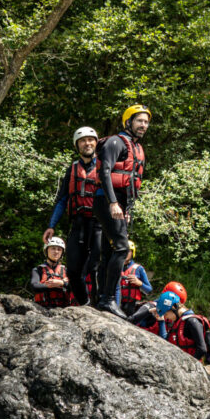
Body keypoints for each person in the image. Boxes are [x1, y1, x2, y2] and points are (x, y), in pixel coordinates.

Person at [93, 104, 151, 317]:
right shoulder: (116, 142)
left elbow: (131, 182)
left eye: (146, 122)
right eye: (139, 121)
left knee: (109, 251)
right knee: (121, 248)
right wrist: (113, 202)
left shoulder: (136, 148)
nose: (143, 125)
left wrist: (125, 207)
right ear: (128, 122)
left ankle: (101, 299)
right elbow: (105, 172)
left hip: (119, 204)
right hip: (107, 201)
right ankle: (108, 299)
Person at [43, 126, 103, 308]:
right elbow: (62, 199)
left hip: (98, 224)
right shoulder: (72, 169)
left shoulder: (104, 166)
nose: (87, 143)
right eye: (83, 141)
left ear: (96, 143)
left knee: (95, 268)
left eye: (91, 140)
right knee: (74, 270)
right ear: (77, 145)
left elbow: (118, 195)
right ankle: (84, 303)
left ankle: (100, 305)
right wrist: (51, 225)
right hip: (78, 224)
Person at [30, 237, 72, 308]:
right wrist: (51, 285)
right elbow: (34, 286)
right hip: (42, 308)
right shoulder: (38, 270)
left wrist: (62, 283)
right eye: (53, 248)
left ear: (62, 253)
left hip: (64, 309)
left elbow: (75, 287)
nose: (56, 252)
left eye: (59, 249)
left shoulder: (67, 270)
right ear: (46, 251)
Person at [167, 297, 210, 361]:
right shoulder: (177, 322)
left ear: (174, 308)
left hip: (190, 366)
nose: (166, 317)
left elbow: (202, 349)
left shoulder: (192, 321)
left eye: (166, 314)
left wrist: (189, 365)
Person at [116, 240, 153, 316]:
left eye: (128, 251)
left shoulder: (139, 269)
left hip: (131, 305)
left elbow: (149, 290)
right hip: (117, 302)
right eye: (124, 250)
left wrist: (139, 283)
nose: (126, 253)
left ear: (132, 253)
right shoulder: (116, 267)